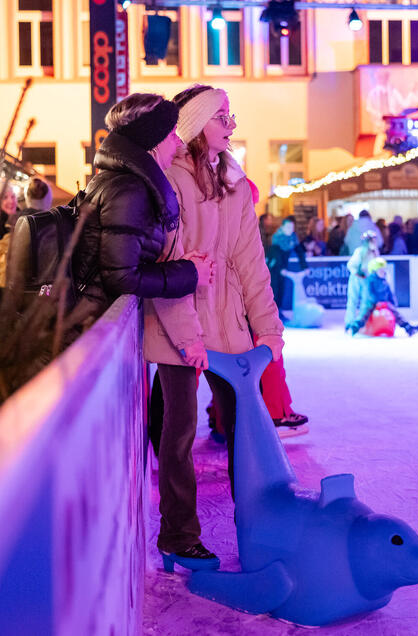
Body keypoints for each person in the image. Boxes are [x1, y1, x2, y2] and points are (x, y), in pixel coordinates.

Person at [143, 84, 283, 572]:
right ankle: (179, 535)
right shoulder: (169, 181)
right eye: (222, 116)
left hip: (227, 326)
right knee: (178, 432)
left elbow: (250, 262)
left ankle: (266, 524)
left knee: (247, 428)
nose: (231, 124)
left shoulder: (233, 184)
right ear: (197, 123)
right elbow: (168, 265)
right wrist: (188, 340)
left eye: (231, 115)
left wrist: (269, 330)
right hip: (177, 328)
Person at [71, 93, 211, 319]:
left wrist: (182, 264)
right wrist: (189, 273)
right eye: (172, 133)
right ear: (154, 141)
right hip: (95, 328)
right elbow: (121, 277)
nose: (178, 141)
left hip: (95, 321)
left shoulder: (119, 181)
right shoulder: (129, 190)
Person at [345, 258, 418, 336]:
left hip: (384, 303)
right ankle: (354, 327)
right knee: (364, 314)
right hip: (370, 303)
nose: (383, 271)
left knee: (396, 313)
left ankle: (407, 327)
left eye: (383, 269)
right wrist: (377, 302)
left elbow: (389, 293)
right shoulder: (369, 281)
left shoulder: (384, 281)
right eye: (380, 270)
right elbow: (369, 294)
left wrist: (393, 302)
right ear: (374, 271)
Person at [267, 215, 308, 314]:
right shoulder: (277, 238)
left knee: (281, 290)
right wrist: (281, 269)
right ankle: (272, 314)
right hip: (273, 267)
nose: (291, 230)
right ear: (283, 227)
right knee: (274, 290)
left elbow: (300, 252)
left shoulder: (293, 238)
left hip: (282, 267)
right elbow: (275, 255)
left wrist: (304, 267)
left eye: (292, 228)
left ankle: (279, 312)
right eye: (289, 227)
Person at [345, 230, 381, 327]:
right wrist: (358, 273)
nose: (375, 243)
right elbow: (350, 265)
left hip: (367, 280)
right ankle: (349, 323)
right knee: (353, 301)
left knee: (366, 302)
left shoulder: (375, 253)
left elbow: (377, 266)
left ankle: (361, 323)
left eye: (375, 240)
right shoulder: (360, 251)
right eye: (373, 240)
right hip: (356, 279)